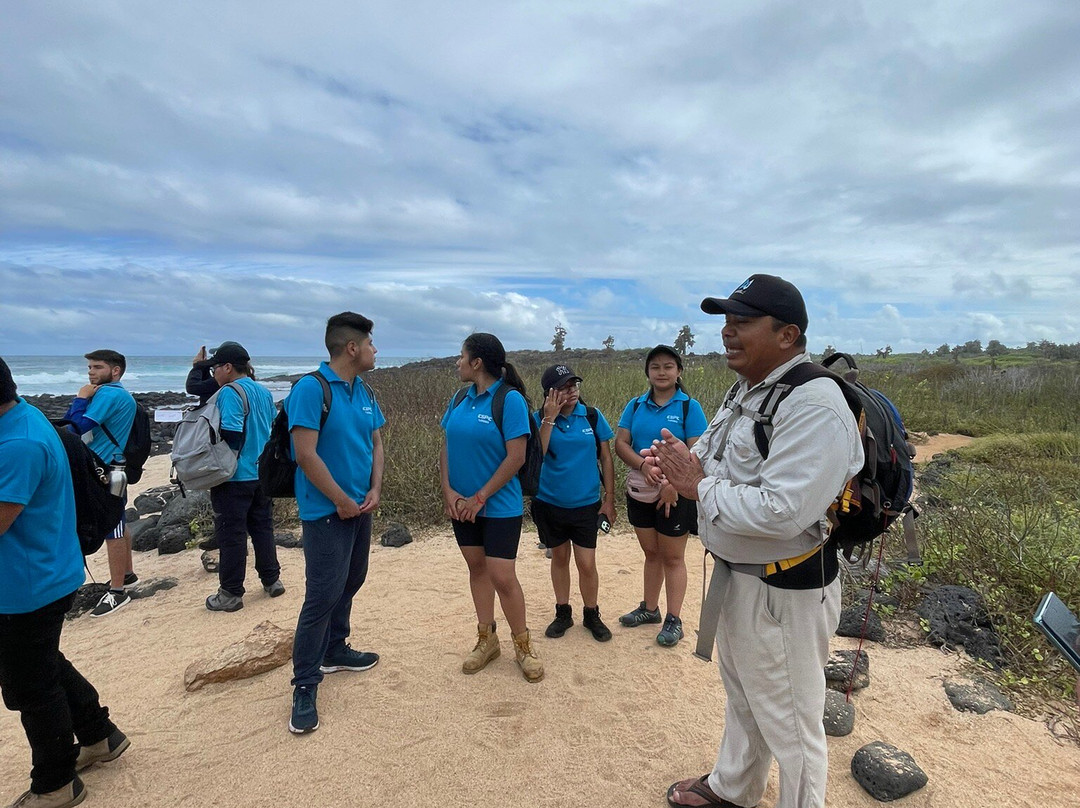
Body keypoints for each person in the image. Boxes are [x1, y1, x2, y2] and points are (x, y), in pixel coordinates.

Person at [648, 275, 863, 808]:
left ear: (787, 335)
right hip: (741, 580)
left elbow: (783, 511)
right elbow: (713, 459)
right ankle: (734, 788)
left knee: (793, 726)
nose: (728, 332)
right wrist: (675, 465)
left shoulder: (815, 405)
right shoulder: (748, 390)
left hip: (784, 591)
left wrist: (696, 486)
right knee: (745, 696)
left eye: (743, 322)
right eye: (726, 321)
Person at [0, 357, 130, 808]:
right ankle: (99, 735)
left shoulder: (17, 444)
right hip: (44, 571)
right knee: (41, 663)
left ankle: (56, 783)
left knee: (30, 686)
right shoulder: (24, 416)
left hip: (27, 585)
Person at [284, 312, 385, 735]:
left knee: (352, 579)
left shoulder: (364, 390)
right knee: (321, 594)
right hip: (325, 512)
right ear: (352, 348)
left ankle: (335, 647)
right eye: (371, 343)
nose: (376, 350)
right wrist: (340, 500)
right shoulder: (311, 389)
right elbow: (305, 454)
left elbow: (375, 441)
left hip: (359, 508)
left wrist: (374, 488)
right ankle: (305, 684)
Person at [440, 333, 543, 683]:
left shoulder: (509, 400)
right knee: (477, 569)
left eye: (461, 356)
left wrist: (479, 497)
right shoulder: (459, 398)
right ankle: (487, 640)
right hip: (461, 507)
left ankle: (523, 646)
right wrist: (448, 492)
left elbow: (516, 457)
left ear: (477, 362)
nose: (457, 362)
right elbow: (446, 446)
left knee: (502, 576)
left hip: (499, 506)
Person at [614, 345, 708, 647]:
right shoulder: (635, 405)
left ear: (679, 371)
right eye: (655, 367)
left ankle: (674, 619)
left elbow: (697, 452)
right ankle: (650, 609)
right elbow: (621, 443)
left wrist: (673, 484)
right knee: (651, 553)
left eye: (668, 366)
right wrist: (642, 465)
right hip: (640, 489)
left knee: (673, 557)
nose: (662, 372)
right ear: (648, 372)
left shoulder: (689, 407)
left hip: (675, 493)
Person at [194, 342, 284, 612]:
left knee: (231, 535)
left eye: (215, 368)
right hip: (261, 473)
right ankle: (272, 580)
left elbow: (232, 433)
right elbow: (272, 427)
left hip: (234, 476)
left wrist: (213, 451)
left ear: (228, 367)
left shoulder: (229, 392)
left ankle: (231, 593)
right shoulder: (263, 391)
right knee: (263, 528)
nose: (214, 374)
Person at [531, 364, 617, 642]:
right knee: (559, 558)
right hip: (550, 502)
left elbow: (606, 458)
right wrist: (550, 418)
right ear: (549, 393)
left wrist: (610, 499)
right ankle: (563, 613)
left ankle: (591, 614)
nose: (571, 391)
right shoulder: (537, 419)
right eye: (564, 387)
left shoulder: (591, 416)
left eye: (574, 385)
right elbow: (537, 456)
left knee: (586, 563)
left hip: (586, 504)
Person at [61, 350, 138, 619]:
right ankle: (127, 574)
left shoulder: (108, 394)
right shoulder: (120, 395)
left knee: (111, 527)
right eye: (90, 367)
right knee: (118, 520)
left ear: (115, 371)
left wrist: (81, 398)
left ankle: (117, 591)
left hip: (103, 468)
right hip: (115, 465)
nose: (91, 372)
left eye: (97, 367)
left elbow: (75, 427)